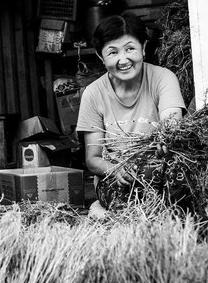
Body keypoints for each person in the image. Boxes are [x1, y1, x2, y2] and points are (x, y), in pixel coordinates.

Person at [76, 12, 187, 210]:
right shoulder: (93, 93)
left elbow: (171, 122)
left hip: (159, 169)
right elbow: (92, 159)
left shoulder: (163, 79)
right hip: (118, 178)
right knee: (129, 208)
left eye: (130, 49)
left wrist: (167, 137)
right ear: (100, 56)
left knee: (178, 198)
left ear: (143, 48)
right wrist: (116, 169)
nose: (123, 59)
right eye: (113, 52)